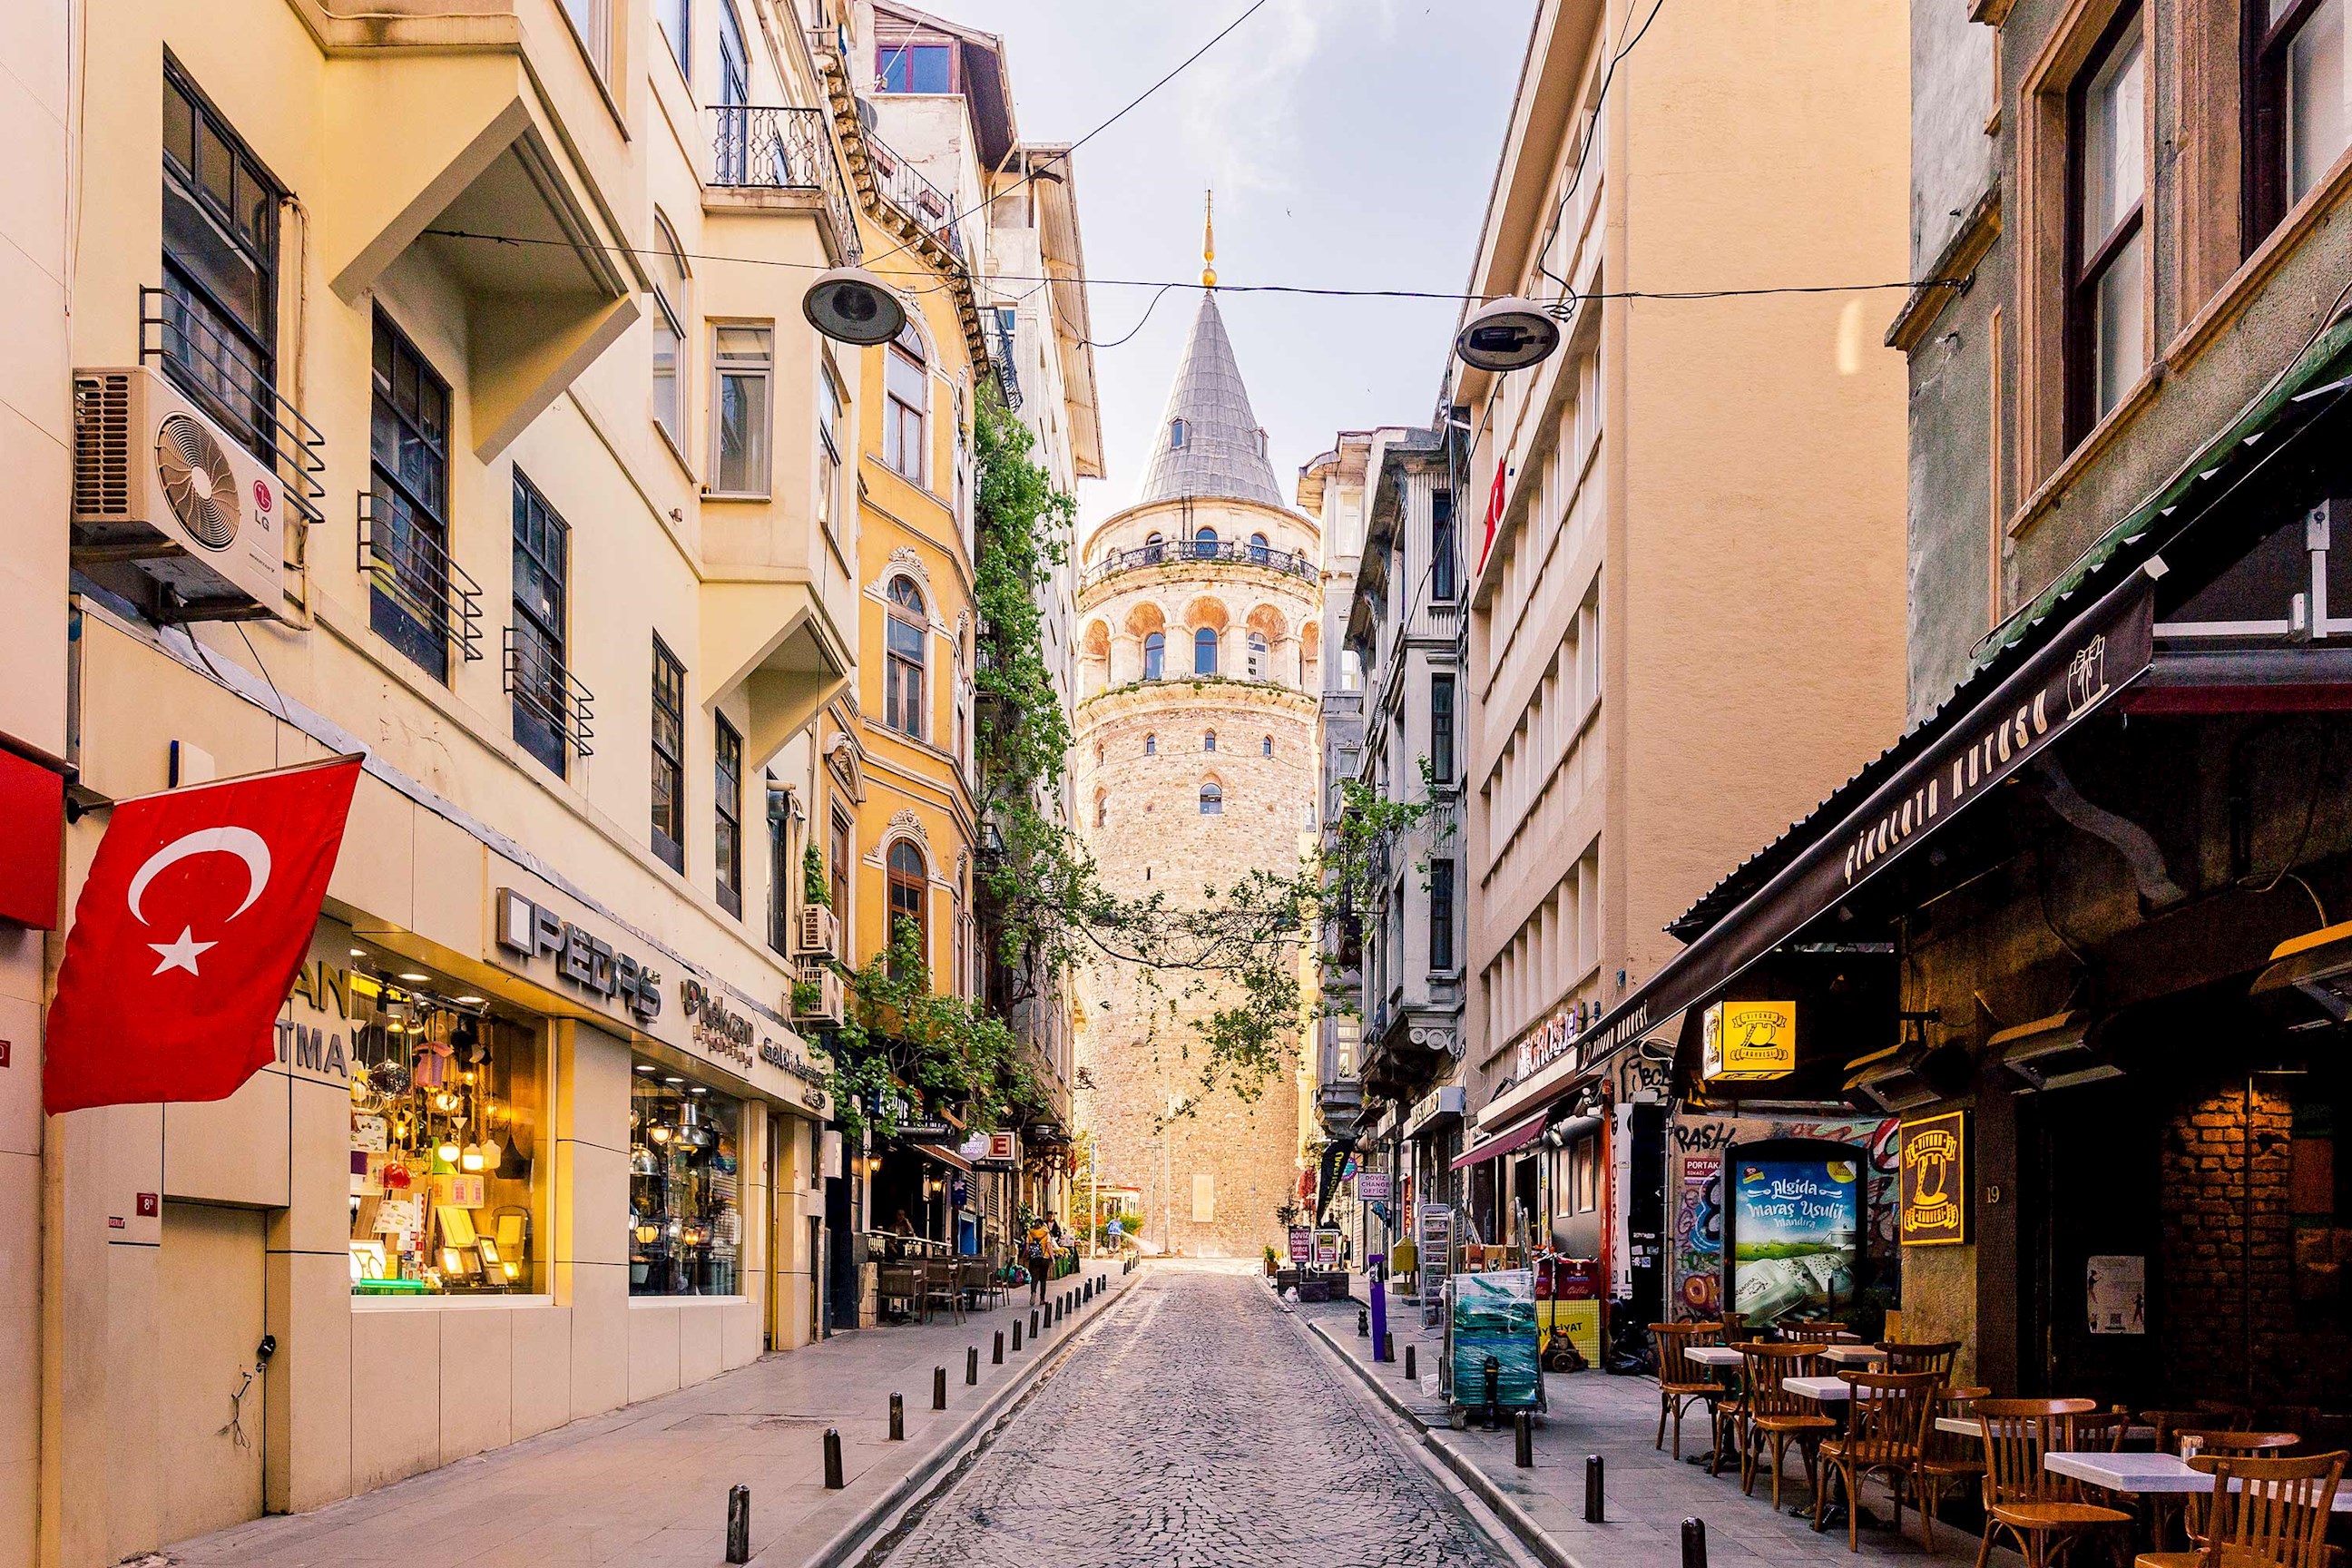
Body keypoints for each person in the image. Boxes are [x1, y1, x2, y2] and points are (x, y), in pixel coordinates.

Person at [1024, 1216, 1054, 1305]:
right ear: (1042, 1225)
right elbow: (1049, 1247)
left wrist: (1025, 1257)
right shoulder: (1046, 1233)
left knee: (1034, 1278)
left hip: (1034, 1258)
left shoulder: (1030, 1233)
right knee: (1043, 1279)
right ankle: (1042, 1299)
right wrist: (1053, 1258)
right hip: (1044, 1258)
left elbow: (1027, 1248)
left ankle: (1033, 1292)